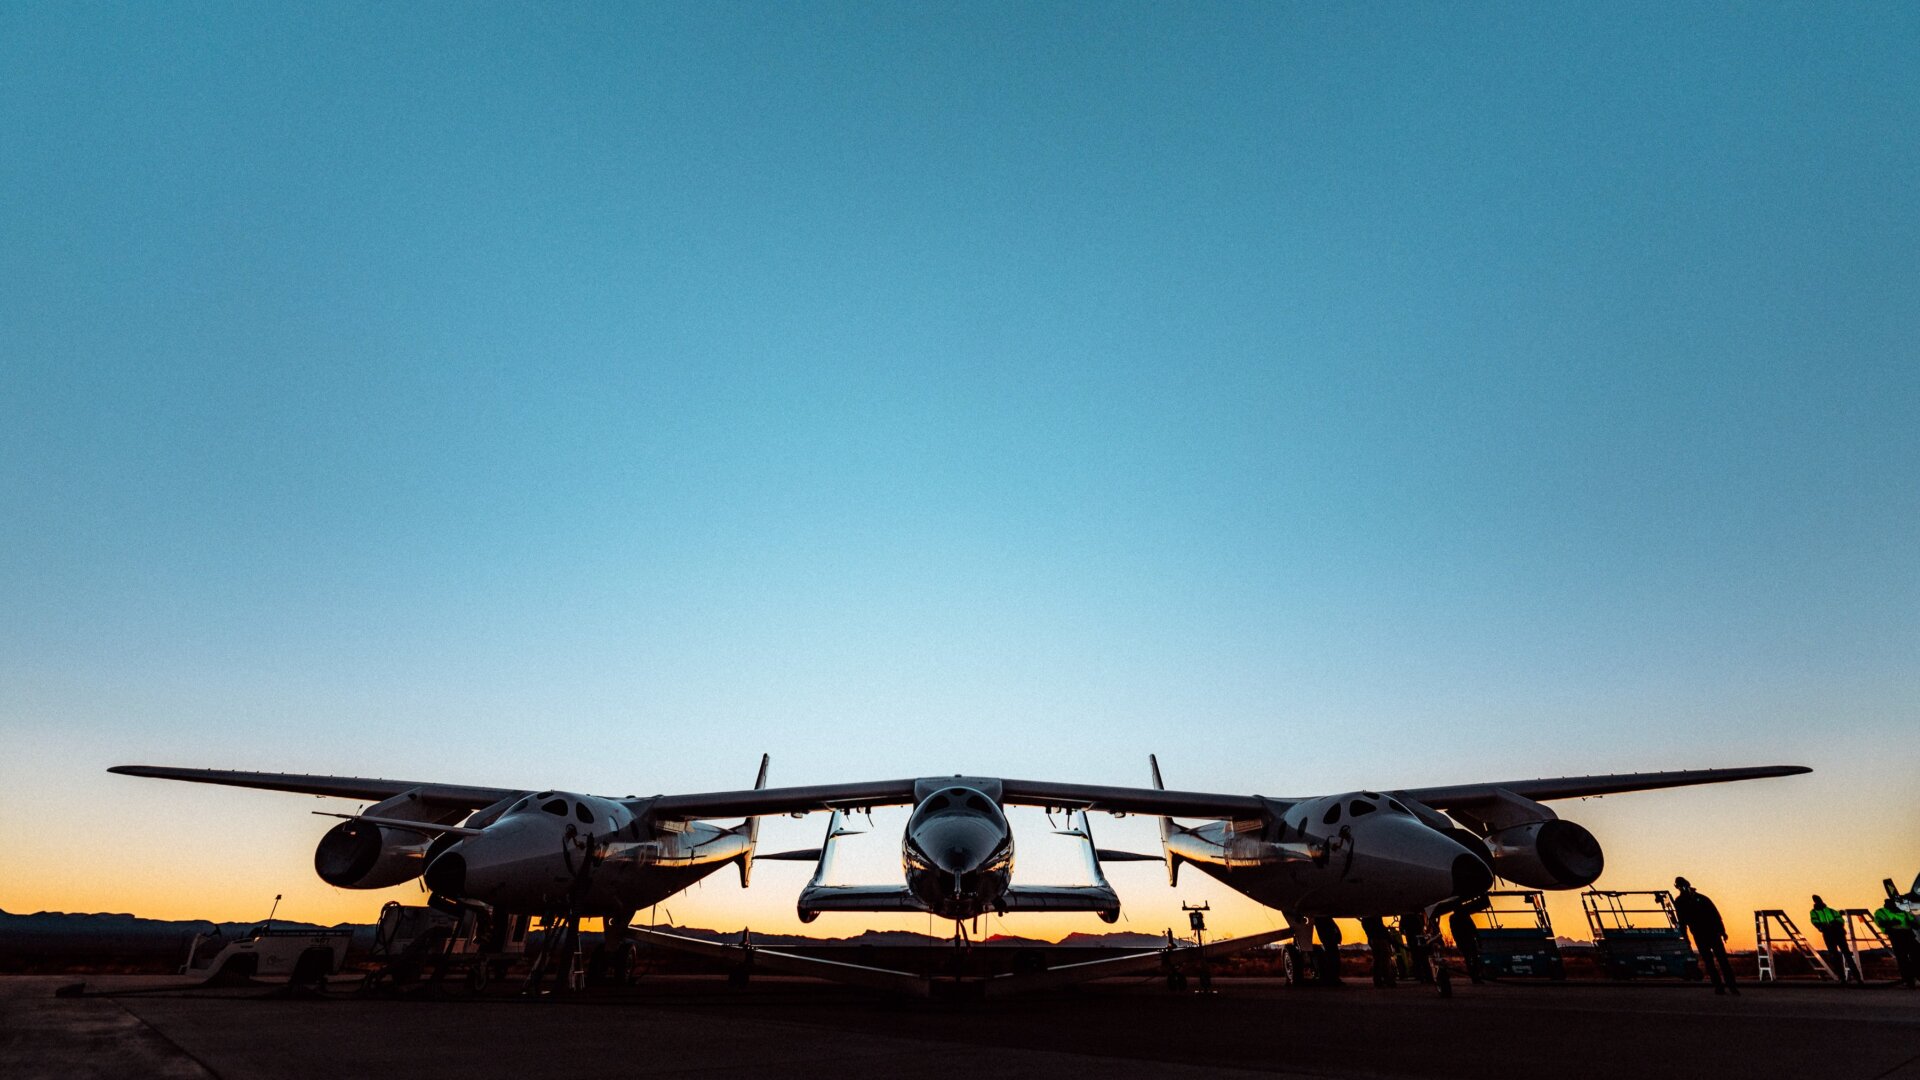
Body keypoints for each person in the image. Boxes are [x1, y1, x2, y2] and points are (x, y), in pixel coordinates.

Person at [1673, 876, 1739, 995]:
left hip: (1711, 933)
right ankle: (1720, 987)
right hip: (1701, 935)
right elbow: (1682, 922)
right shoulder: (1681, 901)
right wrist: (1686, 938)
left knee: (1721, 961)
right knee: (1711, 962)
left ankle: (1731, 986)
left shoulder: (1700, 899)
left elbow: (1715, 915)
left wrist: (1722, 931)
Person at [1810, 895, 1861, 983]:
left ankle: (1856, 978)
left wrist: (1831, 925)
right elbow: (1815, 922)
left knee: (1845, 955)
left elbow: (1840, 921)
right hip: (1830, 934)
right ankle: (1844, 978)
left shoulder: (1829, 911)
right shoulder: (1819, 912)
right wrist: (1825, 926)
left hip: (1836, 933)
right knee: (1837, 956)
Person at [1872, 898, 1918, 988]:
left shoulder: (1903, 912)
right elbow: (1880, 922)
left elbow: (1913, 922)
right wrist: (1890, 923)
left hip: (1908, 935)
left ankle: (1913, 976)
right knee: (1902, 959)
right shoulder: (1881, 912)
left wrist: (1912, 923)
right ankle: (1909, 980)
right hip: (1896, 936)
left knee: (1916, 956)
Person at [1360, 916, 1397, 987]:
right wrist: (1388, 937)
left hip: (1374, 939)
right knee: (1385, 960)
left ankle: (1378, 980)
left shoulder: (1365, 920)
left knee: (1378, 960)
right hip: (1380, 939)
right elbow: (1380, 928)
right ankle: (1387, 979)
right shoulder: (1374, 918)